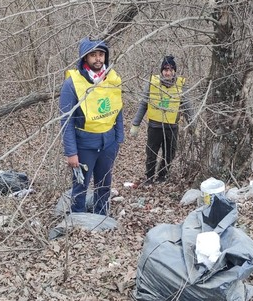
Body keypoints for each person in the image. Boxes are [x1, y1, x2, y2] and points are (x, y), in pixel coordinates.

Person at [59, 37, 124, 216]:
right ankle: (78, 217)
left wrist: (119, 138)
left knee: (104, 184)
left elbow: (118, 109)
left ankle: (101, 215)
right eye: (93, 55)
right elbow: (66, 120)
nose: (98, 59)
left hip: (108, 143)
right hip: (84, 145)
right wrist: (71, 152)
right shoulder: (72, 83)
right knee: (80, 186)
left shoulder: (112, 78)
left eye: (101, 54)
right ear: (85, 58)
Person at [129, 55, 193, 184]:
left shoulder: (181, 85)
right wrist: (135, 124)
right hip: (154, 126)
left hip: (172, 127)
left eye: (170, 70)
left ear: (174, 71)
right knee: (151, 154)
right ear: (161, 71)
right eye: (165, 69)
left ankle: (162, 176)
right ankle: (149, 177)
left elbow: (187, 106)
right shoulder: (153, 83)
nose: (167, 72)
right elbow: (144, 103)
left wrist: (192, 125)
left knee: (169, 154)